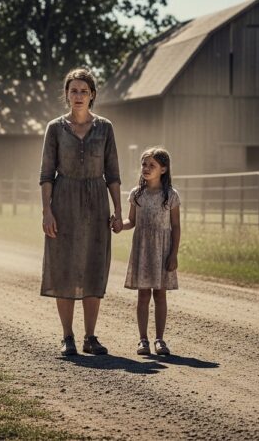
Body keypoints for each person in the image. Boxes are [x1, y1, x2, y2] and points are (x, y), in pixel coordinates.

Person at [39, 67, 122, 356]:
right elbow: (46, 173)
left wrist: (119, 212)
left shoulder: (105, 128)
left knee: (93, 267)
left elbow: (112, 173)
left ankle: (90, 336)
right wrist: (46, 212)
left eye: (83, 91)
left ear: (92, 95)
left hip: (97, 203)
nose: (78, 95)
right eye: (73, 90)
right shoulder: (55, 128)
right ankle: (67, 337)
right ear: (66, 95)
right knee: (64, 268)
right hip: (64, 200)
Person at [119, 147, 181, 356]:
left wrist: (173, 254)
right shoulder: (137, 194)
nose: (146, 168)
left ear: (163, 169)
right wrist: (120, 225)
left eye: (152, 165)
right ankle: (143, 340)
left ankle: (160, 340)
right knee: (143, 295)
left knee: (160, 295)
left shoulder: (170, 196)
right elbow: (132, 221)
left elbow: (176, 226)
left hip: (162, 250)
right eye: (144, 164)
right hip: (143, 249)